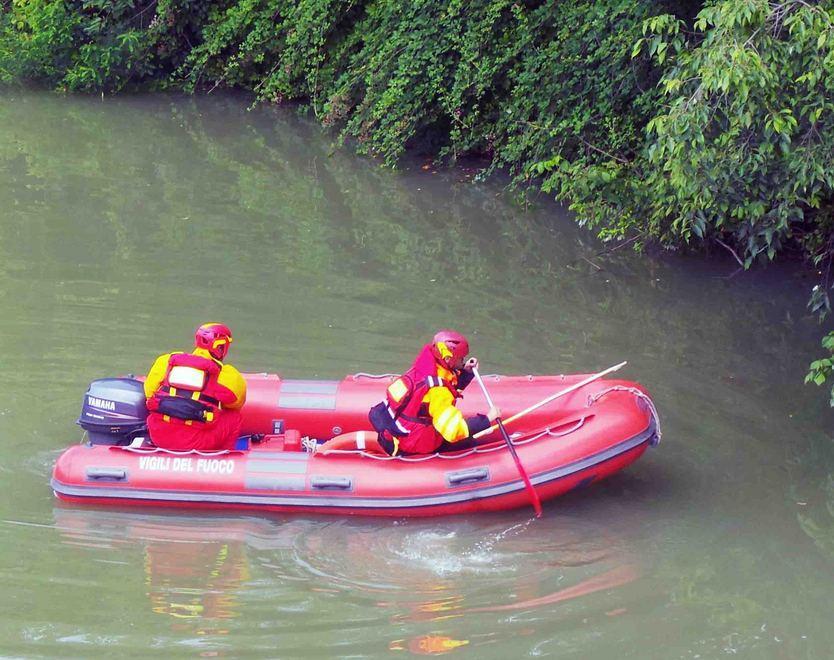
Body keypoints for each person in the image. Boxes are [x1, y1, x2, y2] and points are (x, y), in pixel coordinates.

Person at [368, 330, 500, 456]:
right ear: (449, 359)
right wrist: (487, 420)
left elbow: (447, 384)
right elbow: (453, 430)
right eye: (461, 358)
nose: (463, 360)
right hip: (414, 442)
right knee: (467, 442)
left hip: (401, 431)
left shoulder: (425, 366)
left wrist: (466, 372)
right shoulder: (439, 392)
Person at [143, 323, 247, 451]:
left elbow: (149, 392)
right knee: (234, 417)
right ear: (221, 347)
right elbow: (236, 404)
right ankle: (226, 458)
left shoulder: (166, 361)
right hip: (196, 442)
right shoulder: (226, 375)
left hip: (158, 437)